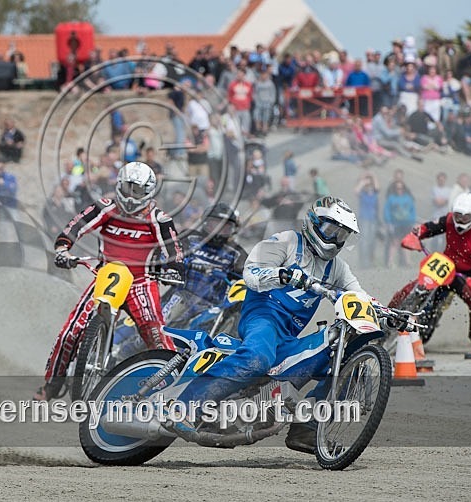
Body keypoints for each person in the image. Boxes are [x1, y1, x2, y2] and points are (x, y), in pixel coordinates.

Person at [169, 196, 366, 454]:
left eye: (342, 235)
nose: (335, 239)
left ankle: (306, 430)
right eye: (331, 230)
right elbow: (251, 274)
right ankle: (185, 407)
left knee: (344, 359)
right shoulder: (286, 241)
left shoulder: (337, 268)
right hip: (263, 318)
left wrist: (385, 313)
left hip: (289, 337)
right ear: (314, 223)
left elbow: (358, 295)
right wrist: (281, 274)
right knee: (258, 358)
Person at [35, 162, 184, 400]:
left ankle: (175, 389)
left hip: (141, 281)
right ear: (118, 185)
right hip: (106, 274)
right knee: (70, 333)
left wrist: (174, 269)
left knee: (156, 335)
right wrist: (63, 248)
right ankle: (52, 385)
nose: (130, 195)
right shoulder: (106, 207)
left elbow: (174, 250)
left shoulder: (159, 218)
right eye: (127, 188)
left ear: (148, 191)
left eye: (137, 190)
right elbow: (75, 227)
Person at [115, 203, 249, 358]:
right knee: (159, 326)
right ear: (205, 222)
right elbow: (169, 255)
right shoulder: (189, 237)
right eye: (215, 225)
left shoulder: (236, 252)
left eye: (225, 227)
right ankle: (125, 351)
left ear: (233, 230)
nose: (219, 231)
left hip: (211, 305)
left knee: (206, 336)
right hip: (181, 294)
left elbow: (246, 274)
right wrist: (181, 265)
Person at [390, 193, 471, 341]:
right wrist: (415, 236)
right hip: (445, 267)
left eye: (466, 217)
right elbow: (428, 227)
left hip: (468, 278)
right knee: (411, 288)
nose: (461, 220)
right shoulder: (449, 219)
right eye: (458, 215)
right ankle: (387, 315)